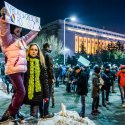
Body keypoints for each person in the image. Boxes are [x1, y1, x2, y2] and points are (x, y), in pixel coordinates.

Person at [0, 7, 39, 122]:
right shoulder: (7, 40)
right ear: (13, 28)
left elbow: (28, 36)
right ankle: (11, 112)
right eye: (16, 27)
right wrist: (4, 19)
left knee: (18, 92)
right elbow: (4, 31)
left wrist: (36, 29)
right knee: (21, 91)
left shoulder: (21, 40)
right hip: (13, 69)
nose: (19, 29)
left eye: (20, 28)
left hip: (21, 70)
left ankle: (13, 112)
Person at [23, 43, 49, 122]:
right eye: (32, 49)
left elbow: (44, 80)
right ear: (29, 51)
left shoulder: (41, 63)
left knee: (34, 117)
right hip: (26, 90)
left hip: (38, 91)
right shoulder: (24, 62)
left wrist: (46, 95)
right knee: (16, 109)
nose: (34, 51)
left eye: (36, 50)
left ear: (38, 51)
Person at [42, 43, 54, 118]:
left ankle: (41, 111)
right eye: (50, 47)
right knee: (47, 96)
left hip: (40, 77)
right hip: (47, 78)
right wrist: (52, 77)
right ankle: (46, 112)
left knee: (41, 95)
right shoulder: (47, 54)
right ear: (47, 47)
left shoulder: (40, 53)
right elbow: (50, 67)